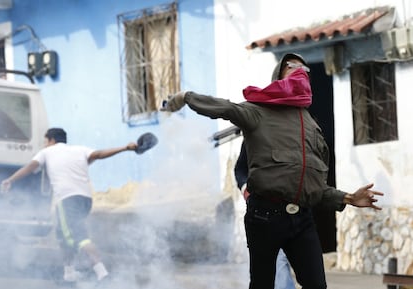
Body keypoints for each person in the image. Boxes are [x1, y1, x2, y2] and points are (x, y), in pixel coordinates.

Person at [163, 53, 384, 289]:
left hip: (302, 219)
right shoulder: (258, 111)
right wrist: (186, 97)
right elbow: (225, 108)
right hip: (265, 216)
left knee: (317, 285)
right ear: (278, 75)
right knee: (263, 284)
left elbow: (314, 187)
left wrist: (348, 198)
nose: (301, 70)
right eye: (292, 66)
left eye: (305, 68)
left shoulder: (311, 125)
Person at [0, 128, 138, 284]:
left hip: (67, 200)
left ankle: (102, 273)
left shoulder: (47, 152)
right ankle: (69, 274)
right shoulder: (79, 150)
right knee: (64, 236)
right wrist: (125, 148)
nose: (44, 144)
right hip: (85, 200)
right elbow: (99, 154)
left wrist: (10, 180)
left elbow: (29, 167)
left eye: (45, 141)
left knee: (79, 236)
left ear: (51, 140)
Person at [235, 142, 296, 289]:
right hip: (266, 214)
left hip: (297, 212)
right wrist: (246, 191)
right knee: (279, 261)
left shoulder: (297, 134)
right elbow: (240, 169)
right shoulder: (254, 135)